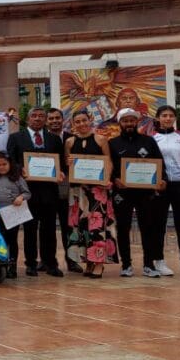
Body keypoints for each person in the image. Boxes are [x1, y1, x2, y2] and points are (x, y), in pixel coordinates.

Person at [6, 107, 66, 277]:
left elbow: (61, 162)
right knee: (29, 229)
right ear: (28, 119)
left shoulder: (54, 139)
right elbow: (11, 161)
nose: (38, 118)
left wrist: (61, 172)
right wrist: (20, 169)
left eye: (41, 116)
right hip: (27, 190)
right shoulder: (15, 138)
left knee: (49, 229)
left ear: (45, 120)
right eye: (34, 116)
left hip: (49, 191)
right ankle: (31, 263)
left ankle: (50, 263)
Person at [109, 108, 167, 278]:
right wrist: (114, 179)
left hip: (145, 193)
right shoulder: (113, 143)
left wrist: (163, 180)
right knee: (123, 228)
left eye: (132, 120)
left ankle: (149, 265)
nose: (129, 124)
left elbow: (160, 163)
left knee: (148, 227)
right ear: (120, 123)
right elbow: (108, 166)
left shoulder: (148, 141)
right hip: (122, 193)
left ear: (137, 122)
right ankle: (126, 265)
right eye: (125, 121)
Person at [64, 111, 116, 279]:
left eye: (84, 120)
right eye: (77, 121)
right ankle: (89, 262)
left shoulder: (101, 139)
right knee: (82, 227)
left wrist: (107, 179)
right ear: (73, 124)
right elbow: (67, 164)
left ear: (90, 120)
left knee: (97, 227)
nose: (81, 124)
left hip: (97, 190)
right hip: (78, 191)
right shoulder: (69, 142)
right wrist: (68, 162)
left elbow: (109, 162)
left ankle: (99, 263)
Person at [152, 105, 180, 277]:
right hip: (160, 186)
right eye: (164, 115)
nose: (167, 118)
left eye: (170, 115)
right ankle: (159, 261)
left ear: (175, 118)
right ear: (158, 118)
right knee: (158, 224)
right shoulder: (152, 138)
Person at [46, 108, 81, 273]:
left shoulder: (72, 139)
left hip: (69, 187)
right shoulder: (41, 139)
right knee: (47, 227)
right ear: (47, 121)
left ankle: (72, 261)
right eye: (51, 118)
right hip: (47, 188)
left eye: (57, 118)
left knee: (69, 226)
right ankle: (47, 261)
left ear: (63, 119)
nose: (54, 121)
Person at [0, 152, 30, 279]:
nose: (1, 167)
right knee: (0, 240)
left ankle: (12, 266)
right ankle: (1, 265)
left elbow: (27, 193)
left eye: (4, 164)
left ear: (10, 164)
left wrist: (20, 197)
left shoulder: (17, 178)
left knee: (12, 240)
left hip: (13, 215)